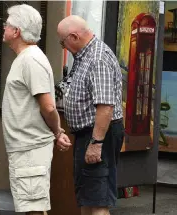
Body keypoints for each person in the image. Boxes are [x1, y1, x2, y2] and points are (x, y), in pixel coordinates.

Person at [1, 4, 71, 215]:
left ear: (17, 31)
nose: (4, 27)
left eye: (7, 24)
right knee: (32, 208)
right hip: (24, 148)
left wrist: (58, 132)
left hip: (30, 148)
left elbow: (48, 107)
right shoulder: (27, 58)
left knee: (34, 210)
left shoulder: (31, 59)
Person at [55, 15, 124, 215]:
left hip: (98, 134)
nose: (63, 46)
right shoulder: (84, 55)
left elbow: (105, 106)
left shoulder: (97, 58)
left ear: (74, 37)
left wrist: (96, 144)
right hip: (89, 134)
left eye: (63, 41)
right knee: (87, 197)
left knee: (97, 200)